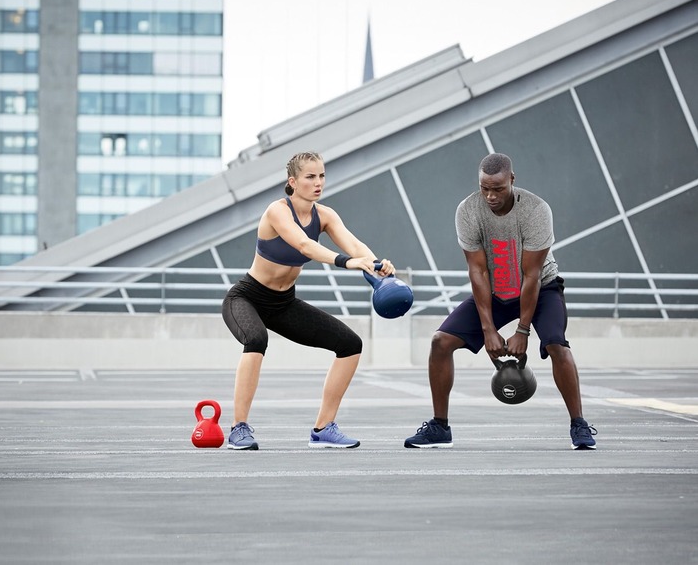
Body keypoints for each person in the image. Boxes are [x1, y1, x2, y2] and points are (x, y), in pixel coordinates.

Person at [404, 153, 597, 450]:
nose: (491, 196)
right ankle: (440, 427)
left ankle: (579, 425)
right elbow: (477, 270)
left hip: (541, 288)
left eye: (498, 188)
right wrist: (487, 329)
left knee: (556, 344)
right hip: (495, 292)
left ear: (512, 180)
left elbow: (531, 275)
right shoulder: (468, 210)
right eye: (485, 188)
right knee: (440, 342)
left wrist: (522, 331)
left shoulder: (536, 210)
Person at [221, 151, 395, 450]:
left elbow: (353, 244)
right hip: (247, 297)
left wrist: (376, 263)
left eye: (322, 176)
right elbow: (304, 244)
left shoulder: (325, 215)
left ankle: (323, 428)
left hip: (283, 304)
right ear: (293, 181)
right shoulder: (277, 211)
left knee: (350, 344)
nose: (318, 183)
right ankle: (239, 427)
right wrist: (346, 262)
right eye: (310, 177)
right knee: (256, 339)